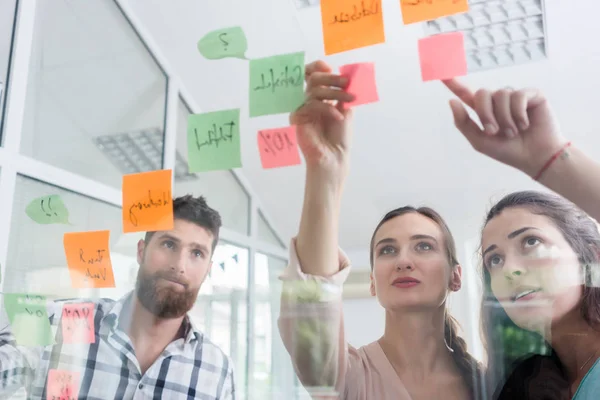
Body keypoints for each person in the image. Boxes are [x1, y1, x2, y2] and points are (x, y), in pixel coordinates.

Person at [278, 60, 483, 400]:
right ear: (373, 282)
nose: (403, 260)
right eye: (387, 250)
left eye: (424, 247)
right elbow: (312, 306)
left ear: (455, 276)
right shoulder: (347, 379)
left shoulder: (490, 385)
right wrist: (324, 171)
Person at [442, 79, 600, 399]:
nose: (509, 270)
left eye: (530, 242)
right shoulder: (526, 388)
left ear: (590, 255)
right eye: (494, 260)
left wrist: (550, 158)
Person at [0, 195, 236, 399]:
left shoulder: (218, 371)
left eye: (197, 253)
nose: (180, 265)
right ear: (141, 251)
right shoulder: (54, 321)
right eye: (168, 244)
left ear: (208, 268)